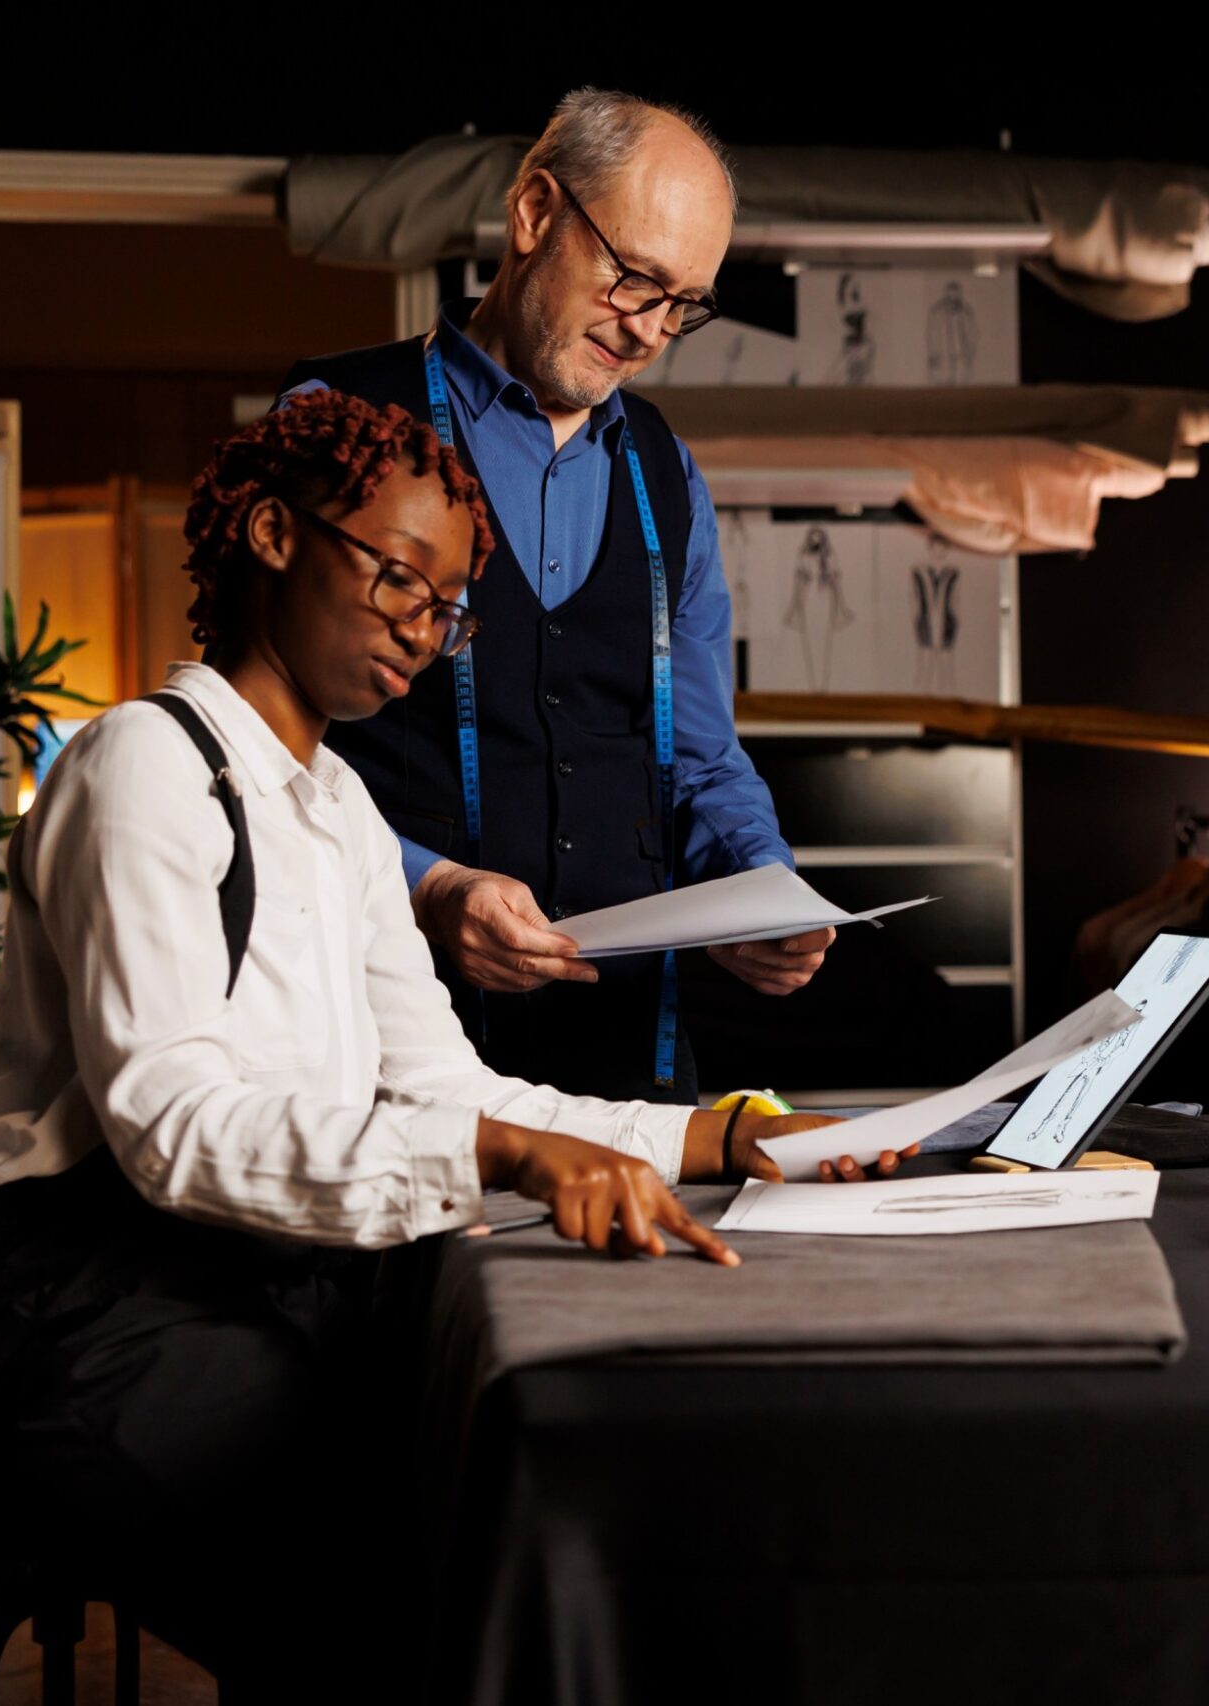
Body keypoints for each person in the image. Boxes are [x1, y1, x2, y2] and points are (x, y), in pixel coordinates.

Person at [0, 390, 905, 1697]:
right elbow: (176, 1130)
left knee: (502, 1492)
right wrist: (514, 1156)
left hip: (247, 1289)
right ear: (269, 532)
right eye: (394, 578)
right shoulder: (139, 764)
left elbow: (450, 1087)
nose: (418, 633)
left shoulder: (341, 811)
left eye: (445, 608)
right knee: (403, 1576)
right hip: (67, 1319)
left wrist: (728, 1132)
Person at [277, 88, 826, 1106]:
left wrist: (763, 887)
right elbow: (256, 748)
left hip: (631, 1082)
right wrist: (425, 889)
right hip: (384, 1072)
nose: (652, 328)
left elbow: (701, 755)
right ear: (533, 214)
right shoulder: (336, 422)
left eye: (683, 303)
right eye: (634, 279)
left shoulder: (671, 473)